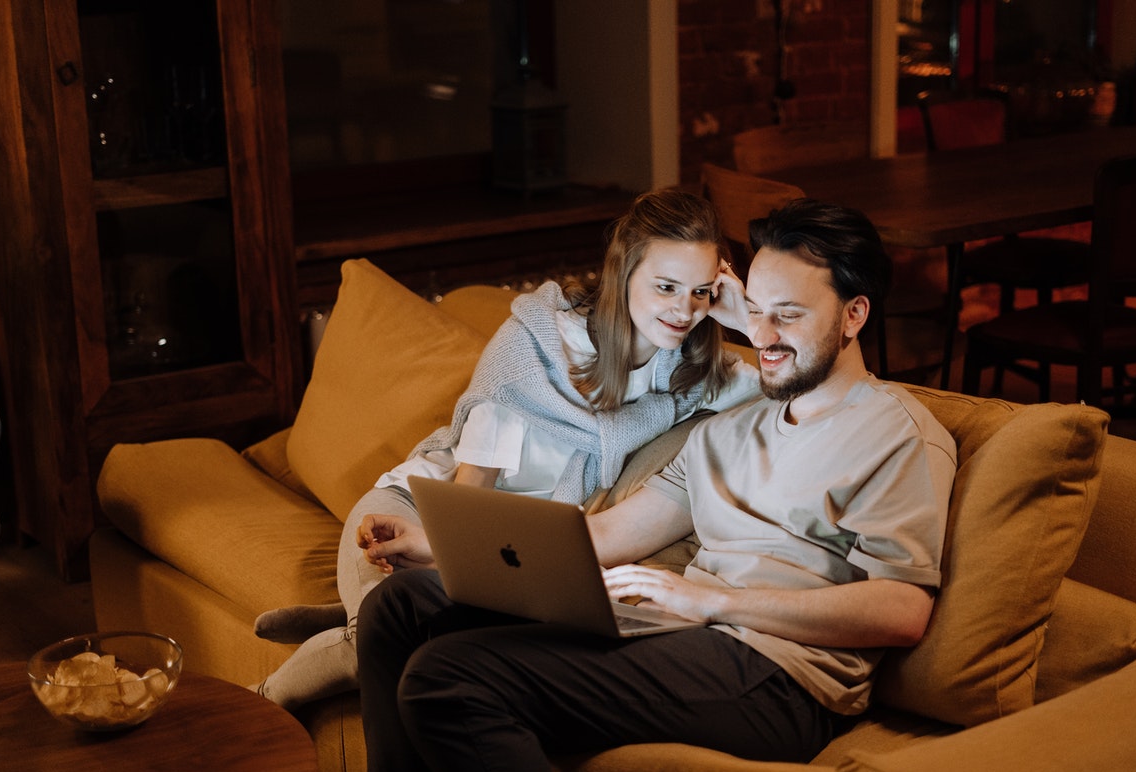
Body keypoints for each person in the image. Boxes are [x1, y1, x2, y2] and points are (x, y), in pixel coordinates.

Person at [354, 198, 959, 772]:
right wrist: (443, 547)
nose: (768, 332)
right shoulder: (732, 424)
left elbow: (902, 608)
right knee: (401, 608)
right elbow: (609, 536)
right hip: (678, 635)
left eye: (790, 314)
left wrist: (711, 600)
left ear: (854, 315)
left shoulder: (897, 434)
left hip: (780, 676)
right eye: (755, 309)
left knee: (450, 677)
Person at [251, 187, 760, 709]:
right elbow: (471, 502)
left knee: (441, 648)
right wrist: (435, 566)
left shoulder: (691, 374)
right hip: (422, 515)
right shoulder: (534, 343)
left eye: (701, 292)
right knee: (386, 645)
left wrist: (746, 321)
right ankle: (259, 702)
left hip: (510, 556)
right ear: (623, 273)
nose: (684, 310)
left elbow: (793, 385)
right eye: (666, 287)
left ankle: (349, 613)